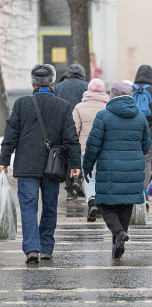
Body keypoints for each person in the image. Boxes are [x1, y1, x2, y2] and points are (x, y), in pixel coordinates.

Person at [0, 64, 81, 263]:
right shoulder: (63, 106)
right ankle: (46, 247)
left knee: (28, 206)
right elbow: (71, 138)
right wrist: (75, 164)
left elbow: (11, 135)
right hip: (52, 166)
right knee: (50, 206)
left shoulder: (21, 104)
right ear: (53, 83)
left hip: (27, 165)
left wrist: (4, 160)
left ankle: (31, 249)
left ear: (32, 83)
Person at [83, 82, 151, 259]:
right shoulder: (140, 117)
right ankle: (117, 245)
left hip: (109, 167)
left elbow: (92, 145)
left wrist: (87, 165)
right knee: (125, 204)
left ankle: (119, 233)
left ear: (111, 96)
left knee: (105, 204)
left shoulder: (103, 116)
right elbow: (146, 145)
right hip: (133, 167)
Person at [73, 78, 109, 222]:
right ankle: (100, 205)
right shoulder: (108, 107)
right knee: (102, 177)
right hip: (105, 149)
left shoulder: (79, 107)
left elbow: (74, 130)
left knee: (89, 178)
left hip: (85, 150)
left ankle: (92, 201)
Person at [132, 65, 152, 205]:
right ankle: (143, 192)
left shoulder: (131, 89)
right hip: (149, 131)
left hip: (132, 131)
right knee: (146, 159)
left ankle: (133, 189)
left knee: (133, 159)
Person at [56, 63, 88, 201]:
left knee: (67, 156)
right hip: (81, 124)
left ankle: (70, 188)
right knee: (79, 154)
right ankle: (78, 180)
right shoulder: (86, 86)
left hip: (63, 124)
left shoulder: (58, 87)